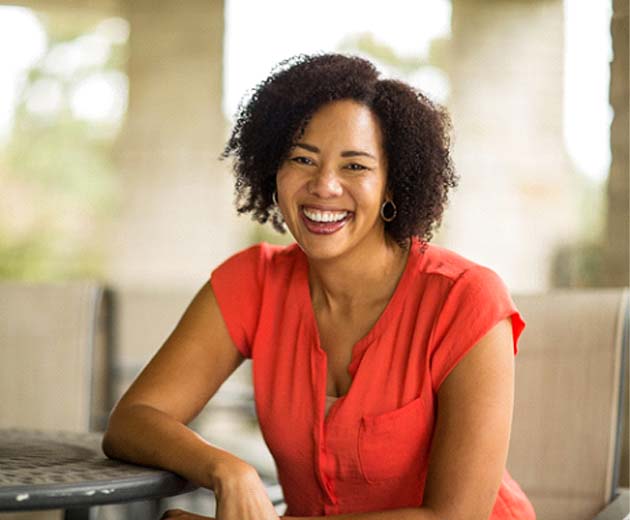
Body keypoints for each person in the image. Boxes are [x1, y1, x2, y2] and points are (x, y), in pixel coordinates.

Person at [102, 53, 536, 520]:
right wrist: (228, 469)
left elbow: (454, 518)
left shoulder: (465, 299)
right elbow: (133, 419)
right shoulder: (255, 283)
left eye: (355, 166)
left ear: (393, 186)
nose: (324, 185)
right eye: (302, 159)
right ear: (273, 170)